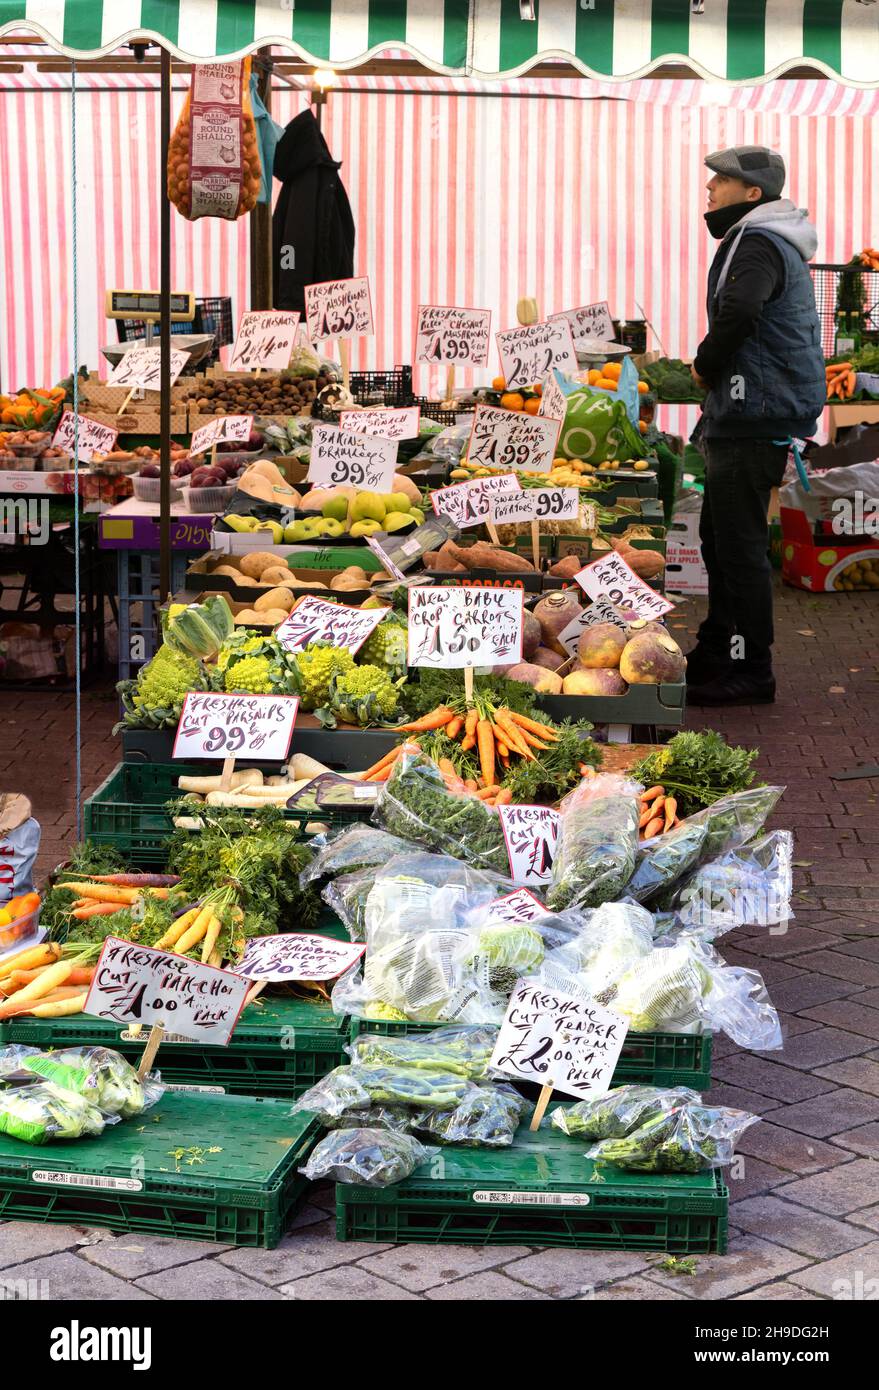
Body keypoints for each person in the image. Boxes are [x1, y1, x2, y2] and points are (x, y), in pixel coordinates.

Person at [686, 145, 825, 706]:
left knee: (739, 547)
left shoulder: (760, 241)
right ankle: (719, 649)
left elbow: (740, 312)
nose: (709, 190)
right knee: (718, 541)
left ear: (752, 193)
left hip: (755, 413)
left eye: (721, 181)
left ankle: (752, 668)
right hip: (748, 412)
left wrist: (705, 364)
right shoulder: (760, 238)